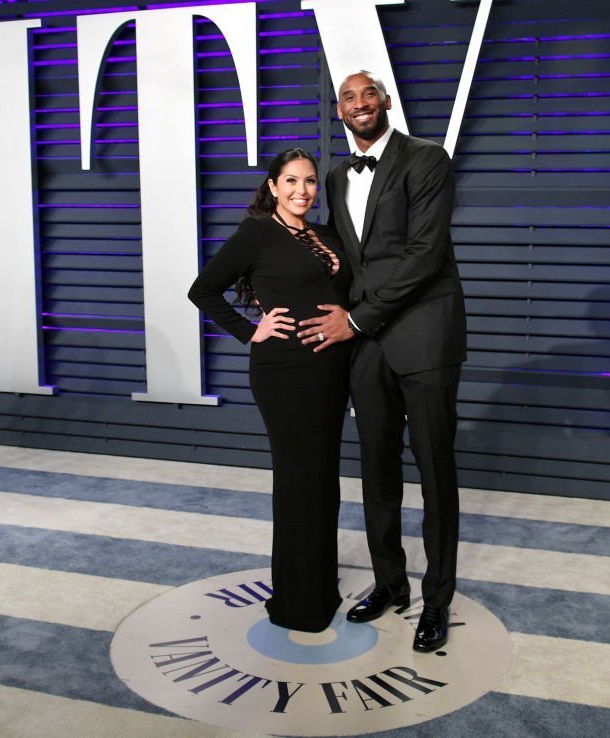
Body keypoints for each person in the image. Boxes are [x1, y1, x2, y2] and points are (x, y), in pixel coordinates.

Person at [296, 71, 466, 652]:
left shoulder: (426, 159)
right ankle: (390, 584)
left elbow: (424, 255)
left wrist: (360, 319)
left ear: (386, 102)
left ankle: (436, 601)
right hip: (366, 348)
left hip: (424, 339)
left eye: (369, 94)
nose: (360, 103)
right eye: (349, 97)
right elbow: (345, 257)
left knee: (436, 472)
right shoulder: (339, 173)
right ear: (339, 110)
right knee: (376, 469)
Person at [188, 148, 352, 633]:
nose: (302, 190)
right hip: (285, 372)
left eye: (309, 182)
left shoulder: (326, 235)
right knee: (299, 482)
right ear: (274, 187)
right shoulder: (257, 232)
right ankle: (297, 605)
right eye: (292, 181)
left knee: (323, 482)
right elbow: (203, 290)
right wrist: (249, 330)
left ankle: (320, 589)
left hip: (330, 371)